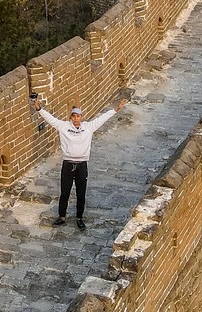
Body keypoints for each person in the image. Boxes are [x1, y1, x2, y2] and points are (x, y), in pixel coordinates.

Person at [31, 93, 129, 230]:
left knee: (81, 193)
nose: (76, 119)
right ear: (71, 117)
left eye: (78, 116)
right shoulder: (63, 126)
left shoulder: (88, 127)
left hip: (82, 164)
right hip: (68, 164)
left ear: (81, 117)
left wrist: (116, 109)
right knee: (65, 192)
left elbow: (102, 119)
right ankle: (62, 216)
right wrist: (38, 108)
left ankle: (79, 217)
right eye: (74, 116)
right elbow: (50, 119)